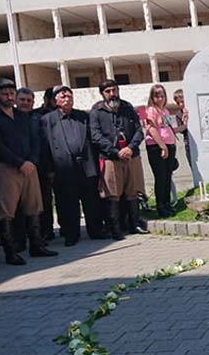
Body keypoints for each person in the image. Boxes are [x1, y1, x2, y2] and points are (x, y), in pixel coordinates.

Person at [0, 78, 58, 265]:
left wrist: (32, 161)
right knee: (6, 212)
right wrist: (19, 163)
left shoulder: (23, 117)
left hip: (29, 167)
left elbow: (35, 140)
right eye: (4, 94)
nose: (9, 97)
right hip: (7, 167)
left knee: (34, 206)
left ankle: (36, 245)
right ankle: (10, 251)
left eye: (11, 93)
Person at [42, 86, 105, 246]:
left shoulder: (82, 116)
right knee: (68, 203)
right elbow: (45, 146)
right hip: (63, 167)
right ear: (55, 101)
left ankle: (96, 230)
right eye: (63, 97)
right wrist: (49, 169)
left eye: (69, 97)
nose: (67, 99)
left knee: (91, 200)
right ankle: (71, 234)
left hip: (85, 165)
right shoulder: (47, 120)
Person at [90, 79, 147, 239]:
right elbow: (95, 136)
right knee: (112, 194)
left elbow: (139, 131)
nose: (112, 94)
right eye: (108, 91)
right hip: (111, 158)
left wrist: (130, 148)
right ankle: (115, 229)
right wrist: (115, 152)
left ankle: (135, 224)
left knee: (133, 191)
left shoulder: (127, 108)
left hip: (131, 156)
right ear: (102, 94)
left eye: (114, 90)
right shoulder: (96, 111)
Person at [17, 88, 55, 242]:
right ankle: (21, 238)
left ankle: (45, 234)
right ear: (16, 101)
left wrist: (49, 168)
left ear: (33, 103)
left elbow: (45, 144)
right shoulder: (10, 119)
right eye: (22, 100)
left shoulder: (39, 119)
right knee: (19, 205)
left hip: (40, 168)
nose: (25, 103)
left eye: (29, 100)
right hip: (17, 167)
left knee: (43, 202)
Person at [144, 84, 178, 218]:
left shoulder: (166, 111)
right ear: (152, 97)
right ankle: (161, 206)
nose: (160, 99)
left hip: (169, 145)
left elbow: (168, 128)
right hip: (157, 146)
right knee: (161, 177)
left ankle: (167, 204)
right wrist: (163, 146)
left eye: (162, 96)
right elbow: (152, 129)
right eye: (157, 96)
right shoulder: (150, 111)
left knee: (168, 176)